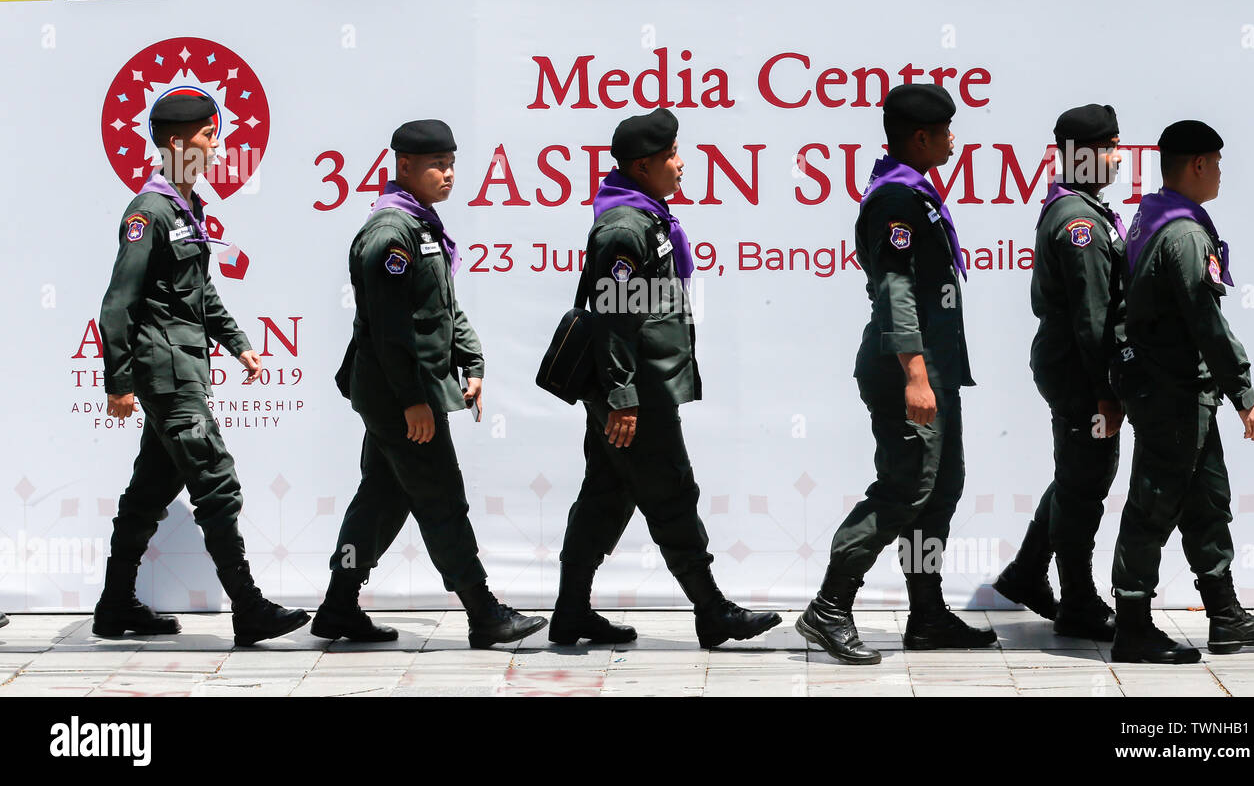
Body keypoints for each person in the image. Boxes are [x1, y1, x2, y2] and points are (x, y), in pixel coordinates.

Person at [550, 108, 781, 648]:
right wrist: (624, 397)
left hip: (633, 388)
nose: (681, 165)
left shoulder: (645, 216)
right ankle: (713, 611)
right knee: (672, 493)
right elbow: (612, 320)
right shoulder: (625, 229)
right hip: (634, 395)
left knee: (604, 496)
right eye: (672, 156)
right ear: (643, 165)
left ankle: (570, 613)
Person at [316, 119, 546, 649]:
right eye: (437, 164)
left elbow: (443, 307)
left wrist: (473, 361)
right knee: (441, 496)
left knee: (382, 498)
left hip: (406, 391)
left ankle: (337, 607)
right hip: (400, 393)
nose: (448, 174)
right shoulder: (389, 235)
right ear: (404, 166)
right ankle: (484, 613)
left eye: (452, 163)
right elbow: (391, 331)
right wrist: (414, 401)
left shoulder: (422, 226)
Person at [96, 93, 310, 646]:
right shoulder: (150, 211)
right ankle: (249, 607)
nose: (218, 144)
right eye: (209, 135)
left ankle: (115, 604)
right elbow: (119, 302)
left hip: (185, 364)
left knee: (150, 489)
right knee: (216, 481)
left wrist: (238, 342)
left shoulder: (187, 207)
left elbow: (199, 291)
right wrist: (118, 381)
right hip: (166, 372)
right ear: (177, 142)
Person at [797, 84, 993, 664]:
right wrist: (915, 373)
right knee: (906, 487)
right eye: (946, 128)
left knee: (938, 492)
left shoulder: (917, 191)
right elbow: (895, 289)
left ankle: (926, 612)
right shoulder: (894, 201)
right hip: (905, 368)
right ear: (920, 137)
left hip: (936, 368)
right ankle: (830, 606)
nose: (954, 137)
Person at [1109, 120, 1254, 663]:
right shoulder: (1185, 234)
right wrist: (1245, 392)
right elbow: (1204, 322)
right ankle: (1134, 626)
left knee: (1207, 502)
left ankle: (1225, 617)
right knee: (1153, 505)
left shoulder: (1151, 215)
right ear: (1197, 165)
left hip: (1183, 393)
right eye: (1216, 161)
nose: (1220, 172)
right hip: (1172, 393)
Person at [993, 104, 1127, 640]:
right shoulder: (1079, 223)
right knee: (1085, 486)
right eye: (1113, 146)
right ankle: (1077, 602)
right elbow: (1093, 319)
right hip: (1079, 373)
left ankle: (1026, 573)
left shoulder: (1080, 209)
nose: (1120, 158)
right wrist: (1106, 392)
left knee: (1076, 475)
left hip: (1068, 366)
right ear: (1087, 154)